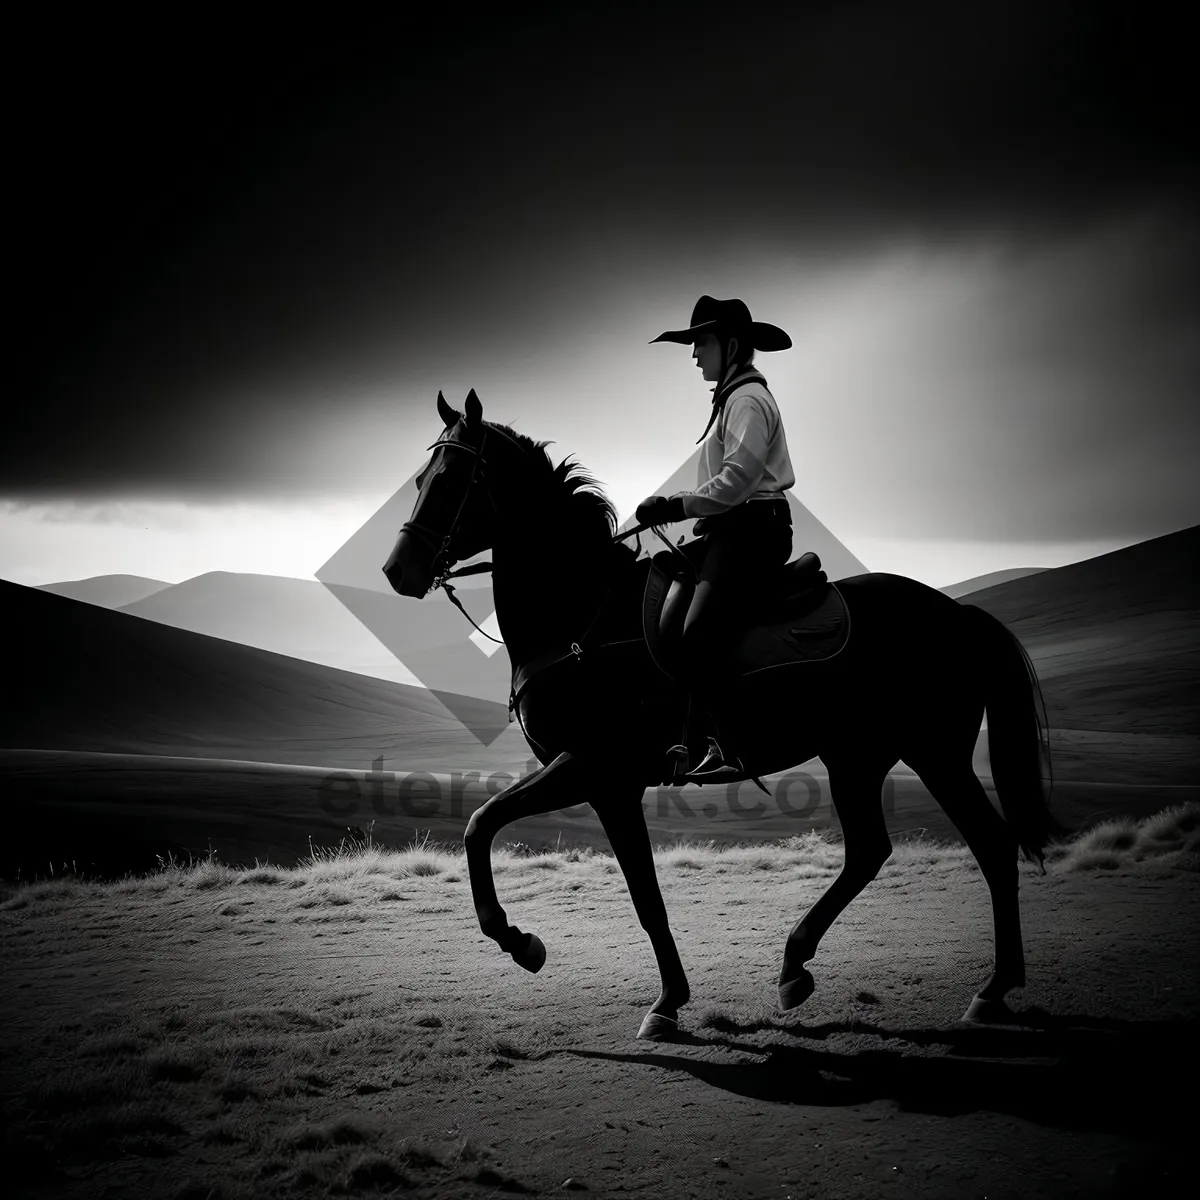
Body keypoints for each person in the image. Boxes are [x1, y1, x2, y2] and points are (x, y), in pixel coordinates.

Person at [636, 295, 796, 781]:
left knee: (697, 629)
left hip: (752, 531)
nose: (693, 354)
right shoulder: (733, 398)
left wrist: (674, 504)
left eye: (700, 343)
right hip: (730, 531)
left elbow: (738, 479)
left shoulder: (747, 400)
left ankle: (729, 743)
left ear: (729, 346)